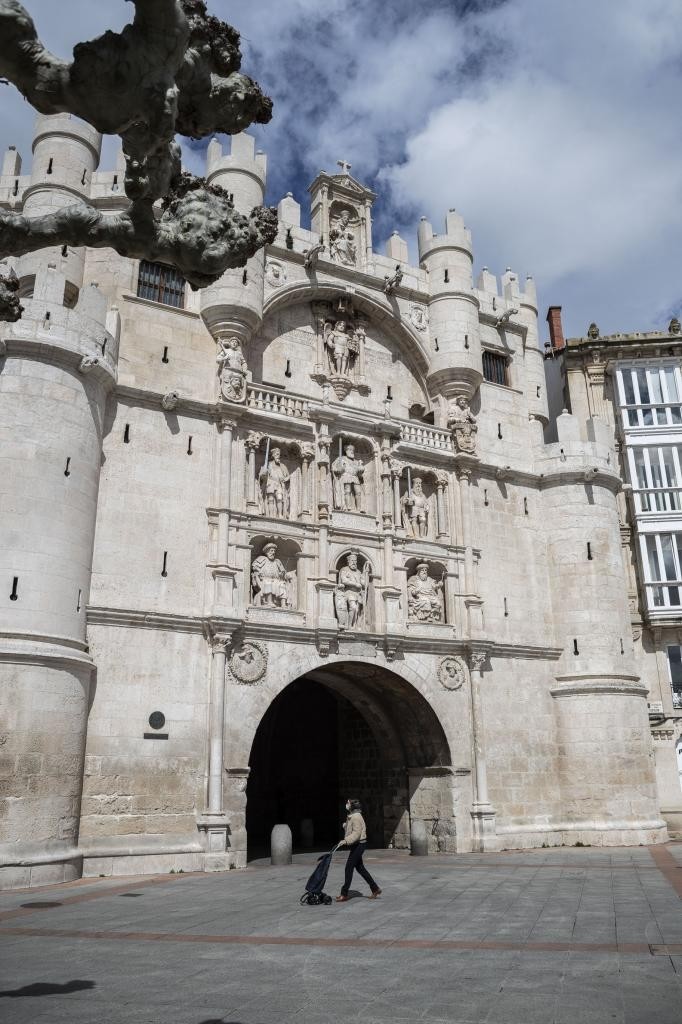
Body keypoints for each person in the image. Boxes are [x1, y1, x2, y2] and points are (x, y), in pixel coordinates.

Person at [336, 798, 381, 902]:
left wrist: (345, 841)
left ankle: (344, 893)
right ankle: (375, 888)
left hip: (359, 845)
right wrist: (346, 826)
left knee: (348, 868)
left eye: (348, 803)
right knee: (360, 868)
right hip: (357, 845)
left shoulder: (356, 817)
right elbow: (353, 829)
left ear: (352, 806)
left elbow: (356, 834)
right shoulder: (353, 816)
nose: (346, 805)